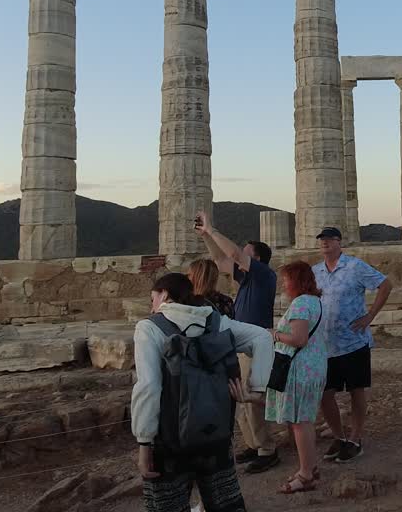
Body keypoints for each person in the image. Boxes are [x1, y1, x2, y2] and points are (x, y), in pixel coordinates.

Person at [131, 271, 274, 512]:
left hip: (170, 439)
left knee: (168, 505)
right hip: (216, 431)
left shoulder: (150, 328)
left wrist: (144, 443)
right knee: (224, 502)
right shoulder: (215, 321)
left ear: (164, 294)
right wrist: (256, 389)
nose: (152, 305)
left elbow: (149, 386)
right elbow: (261, 337)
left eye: (152, 298)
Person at [196, 216, 284, 473]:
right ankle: (253, 444)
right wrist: (206, 237)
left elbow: (232, 253)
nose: (238, 257)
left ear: (256, 260)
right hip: (238, 344)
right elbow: (221, 260)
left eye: (246, 253)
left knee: (252, 397)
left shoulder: (264, 275)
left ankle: (268, 449)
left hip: (255, 346)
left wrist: (214, 228)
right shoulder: (246, 279)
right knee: (238, 396)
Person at [311, 227, 392, 463]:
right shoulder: (315, 271)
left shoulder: (355, 266)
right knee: (325, 395)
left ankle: (356, 439)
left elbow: (385, 285)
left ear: (339, 242)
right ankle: (339, 437)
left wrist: (370, 316)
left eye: (330, 239)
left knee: (357, 391)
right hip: (326, 344)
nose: (325, 242)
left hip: (354, 342)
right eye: (322, 240)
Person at [266, 260, 329, 493]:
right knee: (302, 421)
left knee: (300, 422)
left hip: (300, 369)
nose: (283, 283)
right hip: (311, 366)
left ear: (296, 280)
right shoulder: (314, 301)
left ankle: (306, 475)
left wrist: (274, 334)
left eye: (286, 279)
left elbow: (298, 339)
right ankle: (309, 468)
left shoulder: (302, 303)